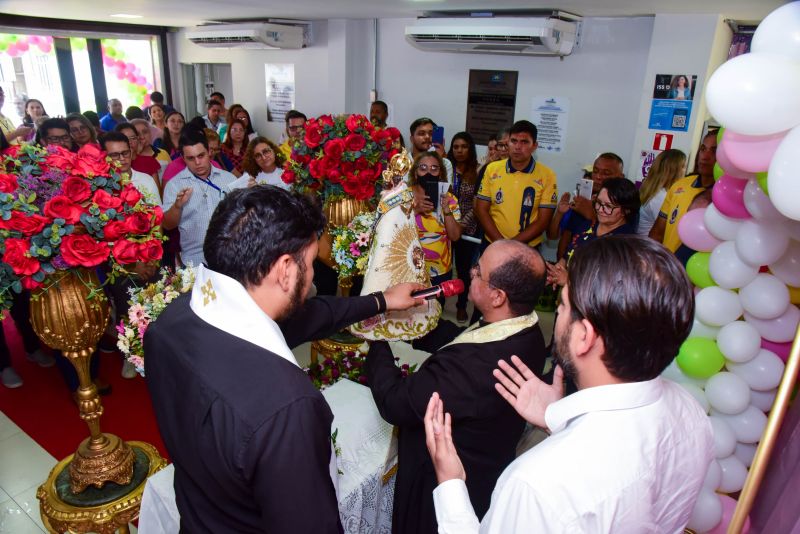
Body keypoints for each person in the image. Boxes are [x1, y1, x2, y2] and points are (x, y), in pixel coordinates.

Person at [146, 185, 423, 532]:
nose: (310, 278)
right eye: (309, 263)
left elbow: (309, 315)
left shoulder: (168, 324)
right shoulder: (287, 407)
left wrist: (381, 301)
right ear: (285, 269)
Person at [425, 235, 714, 533]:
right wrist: (558, 421)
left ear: (584, 336)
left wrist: (450, 484)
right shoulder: (691, 413)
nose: (557, 314)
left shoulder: (537, 485)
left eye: (562, 306)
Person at [367, 239, 548, 534]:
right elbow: (469, 337)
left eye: (478, 271)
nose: (470, 271)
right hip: (489, 461)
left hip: (443, 489)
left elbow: (396, 401)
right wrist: (422, 323)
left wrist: (377, 338)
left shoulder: (469, 368)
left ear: (498, 296)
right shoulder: (527, 329)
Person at [475, 120, 557, 251]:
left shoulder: (547, 175)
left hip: (527, 248)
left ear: (534, 146)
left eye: (524, 142)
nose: (518, 147)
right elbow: (481, 209)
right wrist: (500, 243)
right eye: (514, 141)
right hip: (492, 243)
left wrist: (511, 245)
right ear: (508, 143)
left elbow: (543, 221)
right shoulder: (492, 169)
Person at [546, 178, 640, 288]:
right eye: (598, 203)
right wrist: (557, 270)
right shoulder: (588, 225)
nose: (600, 209)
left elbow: (608, 288)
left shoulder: (625, 243)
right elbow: (568, 255)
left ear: (626, 210)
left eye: (608, 207)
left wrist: (568, 280)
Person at [161, 130, 237, 267]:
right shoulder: (174, 185)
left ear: (209, 151)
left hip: (230, 256)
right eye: (190, 158)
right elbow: (167, 224)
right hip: (194, 261)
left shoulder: (229, 179)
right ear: (183, 158)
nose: (197, 162)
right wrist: (177, 206)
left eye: (201, 156)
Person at [649, 129, 718, 252]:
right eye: (703, 149)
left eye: (714, 151)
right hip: (669, 265)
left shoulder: (725, 197)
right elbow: (657, 233)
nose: (705, 157)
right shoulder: (680, 185)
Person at [547, 153, 625, 260]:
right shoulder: (583, 198)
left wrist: (590, 213)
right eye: (595, 171)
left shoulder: (624, 205)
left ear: (620, 177)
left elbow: (611, 245)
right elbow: (564, 236)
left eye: (606, 173)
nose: (598, 177)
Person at [411, 151, 462, 298]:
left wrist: (446, 209)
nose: (428, 172)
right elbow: (392, 228)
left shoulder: (450, 199)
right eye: (423, 168)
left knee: (435, 311)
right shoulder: (404, 196)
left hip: (440, 268)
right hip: (409, 266)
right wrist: (415, 210)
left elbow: (455, 236)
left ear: (440, 173)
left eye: (434, 168)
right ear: (415, 173)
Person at [447, 132, 480, 323]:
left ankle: (461, 305)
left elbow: (478, 206)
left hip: (468, 230)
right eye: (456, 146)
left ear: (470, 149)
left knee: (463, 270)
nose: (459, 150)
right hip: (446, 226)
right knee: (442, 267)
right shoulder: (445, 168)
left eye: (464, 146)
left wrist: (461, 225)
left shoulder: (477, 171)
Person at [100, 131, 160, 204]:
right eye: (115, 155)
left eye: (125, 153)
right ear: (104, 157)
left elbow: (157, 213)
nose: (122, 158)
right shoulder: (99, 185)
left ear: (131, 153)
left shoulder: (146, 180)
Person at [637, 149, 687, 236]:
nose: (685, 171)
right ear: (674, 171)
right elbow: (669, 230)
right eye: (683, 167)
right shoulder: (661, 197)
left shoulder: (653, 190)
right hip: (648, 245)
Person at [408, 117, 453, 183]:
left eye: (431, 134)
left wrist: (437, 161)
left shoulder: (445, 163)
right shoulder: (401, 162)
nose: (427, 137)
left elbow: (444, 192)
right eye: (422, 133)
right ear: (412, 139)